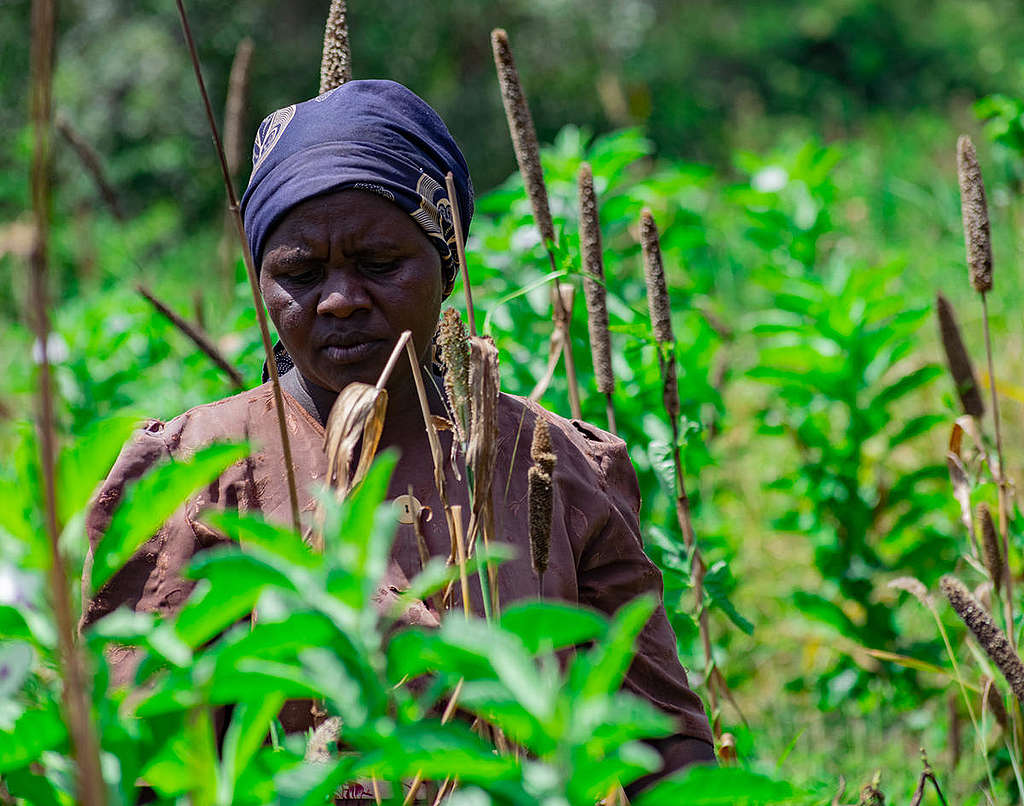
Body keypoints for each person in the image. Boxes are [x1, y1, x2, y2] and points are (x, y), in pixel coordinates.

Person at [82, 79, 714, 794]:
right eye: (300, 272)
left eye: (379, 264)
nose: (342, 298)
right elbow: (135, 753)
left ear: (447, 266)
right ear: (261, 282)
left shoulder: (551, 463)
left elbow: (664, 740)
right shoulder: (195, 470)